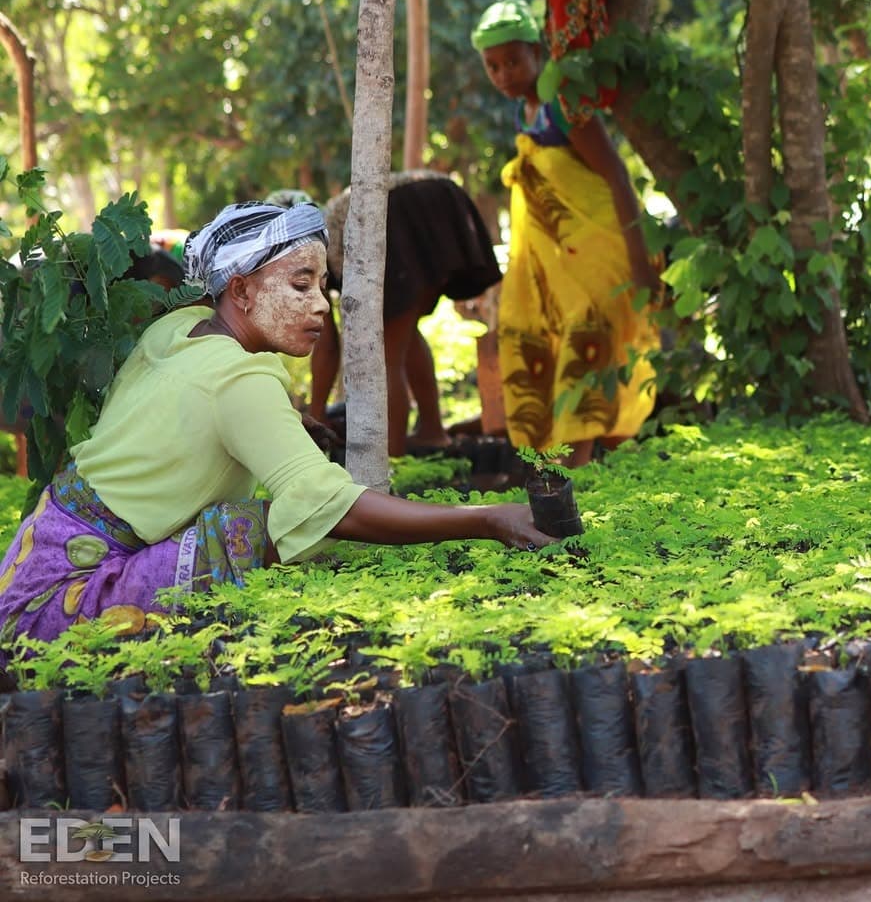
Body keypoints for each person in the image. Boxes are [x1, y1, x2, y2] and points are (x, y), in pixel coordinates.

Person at [0, 201, 552, 652]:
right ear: (240, 291)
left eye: (321, 286)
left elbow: (203, 391)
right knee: (275, 527)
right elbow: (337, 509)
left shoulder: (180, 327)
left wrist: (290, 415)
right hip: (61, 605)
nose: (319, 307)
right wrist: (488, 518)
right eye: (299, 285)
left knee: (265, 524)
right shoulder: (240, 385)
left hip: (30, 561)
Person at [472, 0, 661, 467]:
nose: (503, 74)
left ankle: (578, 473)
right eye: (492, 66)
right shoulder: (527, 110)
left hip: (603, 255)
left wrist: (639, 261)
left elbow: (616, 176)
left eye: (513, 60)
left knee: (590, 345)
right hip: (561, 267)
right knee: (543, 344)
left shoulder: (564, 105)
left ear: (538, 51)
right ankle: (573, 472)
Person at [269, 175, 502, 458]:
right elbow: (328, 342)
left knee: (383, 354)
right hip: (438, 196)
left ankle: (391, 459)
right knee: (404, 333)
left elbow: (327, 346)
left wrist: (316, 413)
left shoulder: (311, 246)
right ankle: (432, 430)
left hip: (401, 210)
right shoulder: (329, 220)